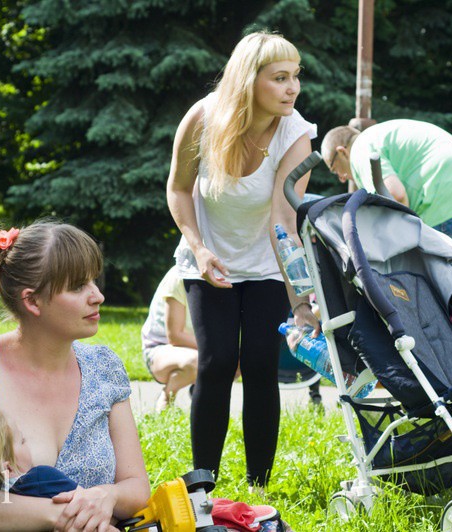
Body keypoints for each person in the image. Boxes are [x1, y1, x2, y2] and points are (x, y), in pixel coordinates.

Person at [0, 221, 150, 531]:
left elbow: (136, 486)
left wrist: (105, 496)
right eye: (78, 286)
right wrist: (63, 517)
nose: (97, 296)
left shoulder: (104, 367)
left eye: (94, 282)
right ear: (32, 300)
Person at [166, 31, 320, 489]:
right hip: (207, 258)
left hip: (268, 264)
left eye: (295, 76)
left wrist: (299, 301)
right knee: (215, 363)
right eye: (280, 78)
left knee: (258, 364)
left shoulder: (298, 134)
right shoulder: (203, 118)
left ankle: (259, 486)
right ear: (248, 80)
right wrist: (198, 248)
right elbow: (178, 189)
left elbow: (283, 221)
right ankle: (203, 486)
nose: (293, 88)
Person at [321, 120, 452, 289]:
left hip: (446, 199)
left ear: (341, 152)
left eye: (334, 168)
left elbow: (394, 194)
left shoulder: (360, 148)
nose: (341, 177)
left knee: (431, 291)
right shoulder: (381, 133)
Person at [141, 266, 198, 412]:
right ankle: (166, 396)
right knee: (199, 361)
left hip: (195, 347)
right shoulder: (179, 276)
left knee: (237, 359)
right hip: (160, 348)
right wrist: (215, 348)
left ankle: (200, 393)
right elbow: (175, 336)